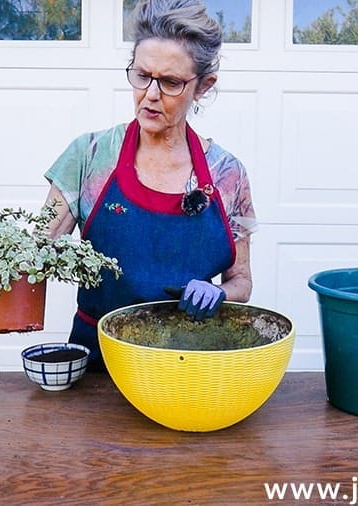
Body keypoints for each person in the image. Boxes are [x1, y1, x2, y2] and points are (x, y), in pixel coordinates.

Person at [43, 0, 256, 371]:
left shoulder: (227, 175)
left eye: (171, 82)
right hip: (99, 365)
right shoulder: (91, 157)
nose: (151, 94)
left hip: (188, 364)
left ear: (203, 86)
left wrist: (219, 293)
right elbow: (36, 247)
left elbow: (240, 280)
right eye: (142, 76)